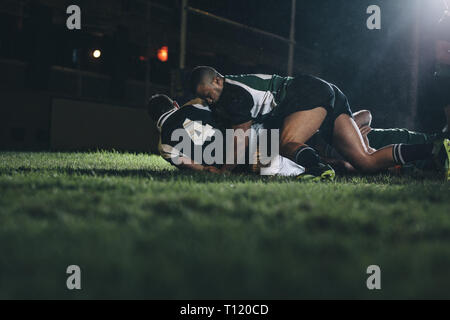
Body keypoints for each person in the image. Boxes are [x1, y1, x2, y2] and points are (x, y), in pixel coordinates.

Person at [189, 66, 450, 180]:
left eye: (208, 94)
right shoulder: (229, 90)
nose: (209, 100)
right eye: (204, 98)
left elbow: (240, 135)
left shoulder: (233, 94)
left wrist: (224, 170)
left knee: (287, 142)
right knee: (366, 160)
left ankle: (319, 170)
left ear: (219, 80)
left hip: (306, 93)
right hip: (324, 92)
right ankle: (436, 150)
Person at [147, 94, 306, 177]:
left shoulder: (163, 147)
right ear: (175, 104)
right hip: (255, 138)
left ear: (155, 121)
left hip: (243, 164)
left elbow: (195, 167)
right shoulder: (194, 104)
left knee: (282, 166)